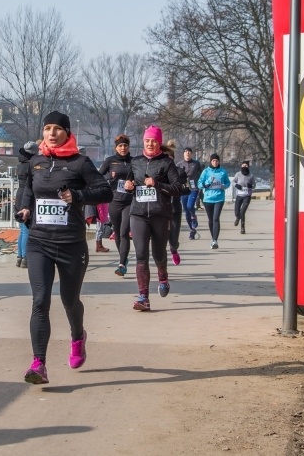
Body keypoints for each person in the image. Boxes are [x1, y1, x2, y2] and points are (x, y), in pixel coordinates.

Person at [17, 111, 113, 384]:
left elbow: (105, 191)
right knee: (40, 300)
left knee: (69, 301)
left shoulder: (80, 163)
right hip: (39, 242)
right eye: (47, 128)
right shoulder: (35, 162)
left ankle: (77, 336)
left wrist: (79, 195)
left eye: (57, 128)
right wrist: (23, 209)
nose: (51, 133)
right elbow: (27, 191)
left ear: (67, 132)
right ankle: (39, 364)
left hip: (71, 244)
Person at [123, 125, 182, 311]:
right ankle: (143, 297)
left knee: (158, 254)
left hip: (160, 214)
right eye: (147, 140)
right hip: (138, 213)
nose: (150, 143)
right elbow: (129, 182)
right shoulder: (136, 161)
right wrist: (128, 186)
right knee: (141, 255)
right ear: (143, 141)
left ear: (159, 142)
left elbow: (177, 188)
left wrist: (156, 184)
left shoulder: (167, 163)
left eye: (154, 141)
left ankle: (163, 276)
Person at [97, 134, 134, 277]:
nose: (123, 148)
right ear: (116, 147)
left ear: (128, 147)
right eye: (120, 146)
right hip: (114, 201)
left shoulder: (134, 161)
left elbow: (141, 177)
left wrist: (134, 183)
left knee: (125, 231)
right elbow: (98, 176)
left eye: (125, 145)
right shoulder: (110, 161)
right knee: (117, 232)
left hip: (130, 201)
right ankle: (123, 258)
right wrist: (109, 177)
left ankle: (122, 264)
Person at [197, 153, 231, 249]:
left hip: (219, 198)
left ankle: (215, 240)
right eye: (213, 161)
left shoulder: (223, 172)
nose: (215, 162)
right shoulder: (206, 172)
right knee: (211, 219)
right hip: (208, 198)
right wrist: (207, 183)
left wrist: (224, 186)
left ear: (219, 161)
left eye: (216, 161)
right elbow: (199, 183)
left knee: (216, 218)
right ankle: (213, 238)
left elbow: (228, 182)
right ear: (210, 161)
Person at [14, 141, 38, 268]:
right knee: (27, 229)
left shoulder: (20, 164)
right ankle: (25, 258)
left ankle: (19, 256)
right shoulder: (31, 165)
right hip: (27, 197)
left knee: (22, 229)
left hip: (19, 195)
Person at [164, 140, 186, 265]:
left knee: (173, 240)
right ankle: (162, 265)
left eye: (170, 158)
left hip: (175, 210)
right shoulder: (158, 172)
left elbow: (187, 189)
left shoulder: (180, 172)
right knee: (161, 240)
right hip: (161, 210)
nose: (168, 161)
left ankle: (174, 250)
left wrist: (179, 188)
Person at [176, 147, 203, 240]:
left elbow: (202, 174)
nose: (187, 153)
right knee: (186, 211)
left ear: (191, 154)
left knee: (190, 206)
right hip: (183, 189)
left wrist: (200, 184)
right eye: (186, 152)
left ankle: (193, 216)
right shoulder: (179, 164)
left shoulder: (196, 164)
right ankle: (192, 230)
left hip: (193, 189)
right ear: (183, 154)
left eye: (189, 152)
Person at [232, 160, 256, 234]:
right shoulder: (238, 174)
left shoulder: (251, 175)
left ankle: (242, 227)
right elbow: (233, 182)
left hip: (247, 196)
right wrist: (236, 185)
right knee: (237, 212)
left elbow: (254, 185)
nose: (244, 167)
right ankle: (237, 217)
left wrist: (251, 186)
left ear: (248, 166)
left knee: (242, 212)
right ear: (241, 166)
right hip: (239, 195)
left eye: (246, 166)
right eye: (243, 165)